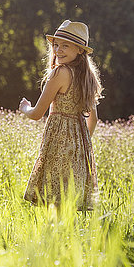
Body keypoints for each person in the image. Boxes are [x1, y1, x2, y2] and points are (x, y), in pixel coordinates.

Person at [19, 20, 103, 212]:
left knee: (54, 198)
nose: (58, 50)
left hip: (58, 142)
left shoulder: (60, 73)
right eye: (56, 45)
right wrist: (82, 143)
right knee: (68, 199)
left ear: (80, 50)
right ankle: (68, 239)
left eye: (65, 45)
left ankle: (56, 239)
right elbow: (93, 119)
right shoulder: (87, 77)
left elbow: (37, 113)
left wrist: (25, 108)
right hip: (79, 144)